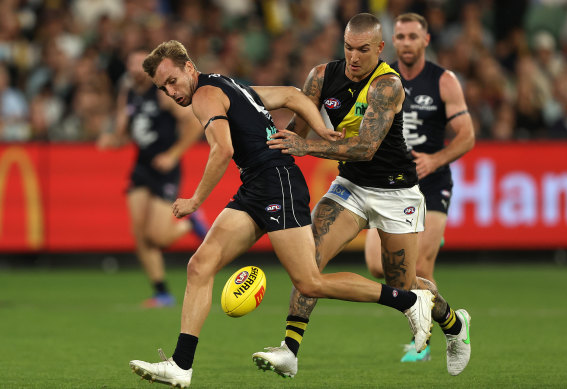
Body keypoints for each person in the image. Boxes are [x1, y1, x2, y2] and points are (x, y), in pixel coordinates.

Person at [128, 40, 434, 389]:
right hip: (256, 187)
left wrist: (196, 200)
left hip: (276, 184)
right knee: (200, 266)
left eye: (172, 81)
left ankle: (409, 300)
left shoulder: (203, 95)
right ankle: (181, 366)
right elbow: (290, 94)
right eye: (162, 88)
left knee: (309, 282)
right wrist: (320, 128)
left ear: (188, 67)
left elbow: (223, 149)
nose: (170, 91)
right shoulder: (226, 84)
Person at [254, 13, 471, 377]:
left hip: (396, 191)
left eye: (363, 50)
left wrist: (306, 147)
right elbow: (297, 128)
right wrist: (265, 153)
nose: (354, 57)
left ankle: (454, 325)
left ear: (380, 48)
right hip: (350, 189)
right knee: (308, 261)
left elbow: (366, 147)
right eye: (348, 48)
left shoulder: (388, 85)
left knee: (402, 284)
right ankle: (289, 350)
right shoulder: (322, 76)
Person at [364, 12, 475, 363]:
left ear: (426, 40)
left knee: (420, 267)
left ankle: (426, 342)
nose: (406, 43)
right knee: (378, 268)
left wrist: (435, 160)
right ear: (392, 41)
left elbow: (467, 137)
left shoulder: (443, 81)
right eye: (401, 37)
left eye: (413, 36)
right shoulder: (381, 78)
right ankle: (448, 323)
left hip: (430, 183)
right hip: (389, 184)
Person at [97, 49, 208, 308]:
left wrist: (173, 154)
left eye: (140, 64)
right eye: (132, 64)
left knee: (158, 237)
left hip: (165, 168)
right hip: (142, 166)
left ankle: (190, 223)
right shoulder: (128, 94)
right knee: (139, 234)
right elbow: (124, 132)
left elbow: (194, 124)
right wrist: (112, 140)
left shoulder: (162, 94)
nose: (136, 69)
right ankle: (162, 292)